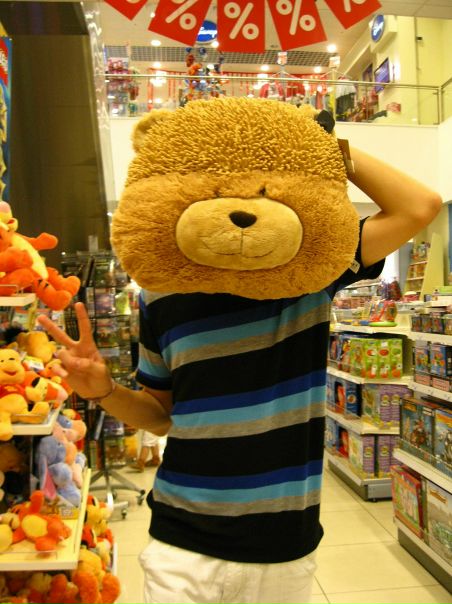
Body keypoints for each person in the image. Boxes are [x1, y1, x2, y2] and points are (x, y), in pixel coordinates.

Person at [39, 147, 441, 604]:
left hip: (282, 542)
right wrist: (105, 391)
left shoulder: (311, 275)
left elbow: (419, 206)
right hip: (182, 538)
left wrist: (325, 145)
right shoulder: (161, 295)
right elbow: (160, 415)